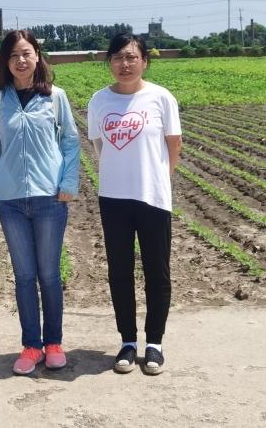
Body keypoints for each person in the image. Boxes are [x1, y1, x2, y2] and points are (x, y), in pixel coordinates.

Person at [0, 30, 80, 375]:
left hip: (49, 197)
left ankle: (54, 343)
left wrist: (68, 182)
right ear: (5, 62)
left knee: (48, 274)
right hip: (10, 201)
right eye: (13, 55)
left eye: (26, 53)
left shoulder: (55, 97)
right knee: (23, 276)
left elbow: (70, 141)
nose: (20, 61)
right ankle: (31, 346)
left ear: (37, 55)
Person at [86, 32, 182, 376]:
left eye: (131, 57)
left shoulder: (161, 98)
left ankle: (155, 343)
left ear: (144, 61)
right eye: (117, 57)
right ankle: (127, 341)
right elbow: (99, 146)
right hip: (113, 198)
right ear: (109, 62)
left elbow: (174, 146)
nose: (124, 64)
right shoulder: (99, 100)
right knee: (119, 272)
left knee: (157, 271)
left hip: (153, 197)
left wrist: (156, 179)